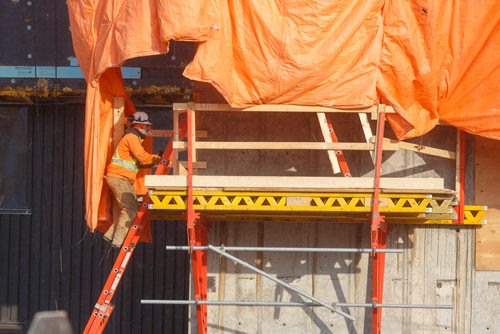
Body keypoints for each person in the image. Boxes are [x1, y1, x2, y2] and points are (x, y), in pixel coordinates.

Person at [103, 111, 162, 248]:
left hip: (122, 179)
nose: (149, 129)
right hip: (119, 178)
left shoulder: (133, 137)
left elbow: (140, 162)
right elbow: (141, 157)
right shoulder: (132, 137)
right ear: (140, 125)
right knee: (129, 209)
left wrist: (154, 159)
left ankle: (110, 235)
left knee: (130, 208)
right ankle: (117, 241)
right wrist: (158, 158)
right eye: (147, 126)